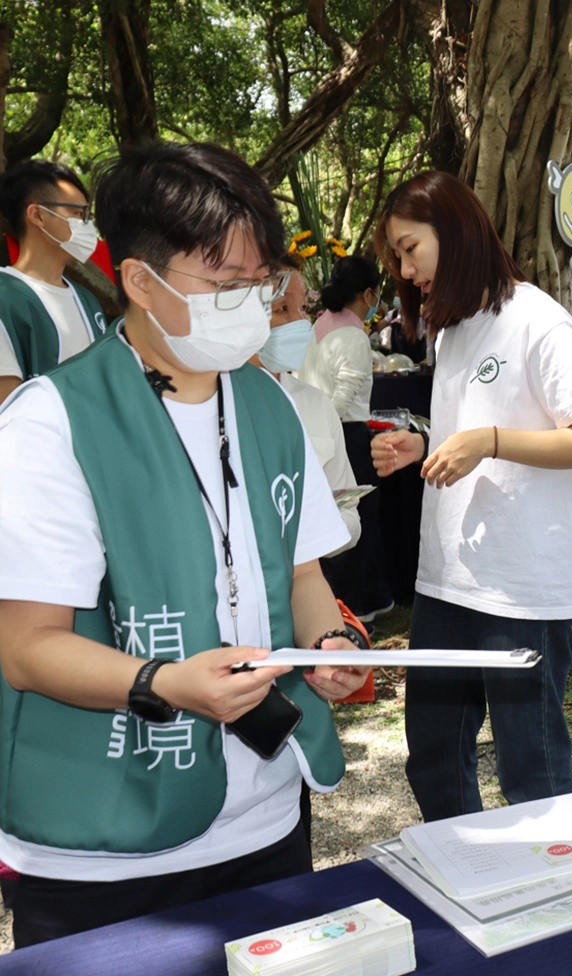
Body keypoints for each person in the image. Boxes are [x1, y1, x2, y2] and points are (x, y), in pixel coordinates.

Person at [0, 141, 370, 946]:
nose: (253, 305)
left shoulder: (269, 406)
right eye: (226, 285)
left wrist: (327, 641)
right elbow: (27, 649)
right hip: (107, 845)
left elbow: (300, 570)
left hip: (265, 822)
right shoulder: (52, 421)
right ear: (140, 280)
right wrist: (166, 681)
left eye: (260, 284)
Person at [370, 171, 572, 820]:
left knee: (529, 768)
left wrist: (491, 440)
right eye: (396, 255)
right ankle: (468, 884)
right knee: (432, 755)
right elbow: (469, 434)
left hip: (520, 588)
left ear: (451, 232)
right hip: (447, 580)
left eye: (410, 248)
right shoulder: (451, 330)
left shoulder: (538, 322)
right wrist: (427, 448)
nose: (404, 267)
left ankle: (558, 903)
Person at [302, 254, 391, 623]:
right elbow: (344, 393)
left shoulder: (318, 325)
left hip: (320, 430)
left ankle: (358, 596)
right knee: (358, 517)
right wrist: (330, 425)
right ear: (368, 294)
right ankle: (360, 602)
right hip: (347, 435)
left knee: (338, 513)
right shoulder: (353, 334)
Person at [254, 256, 361, 554]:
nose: (302, 322)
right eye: (283, 309)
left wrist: (314, 531)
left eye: (303, 308)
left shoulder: (317, 405)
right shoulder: (218, 404)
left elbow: (350, 514)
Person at [0, 159, 111, 402]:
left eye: (87, 216)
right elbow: (8, 409)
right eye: (77, 214)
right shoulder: (5, 297)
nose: (86, 226)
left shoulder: (87, 301)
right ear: (38, 215)